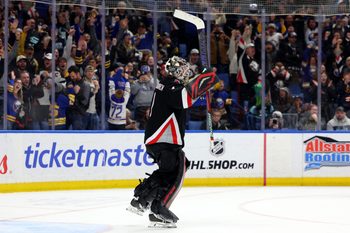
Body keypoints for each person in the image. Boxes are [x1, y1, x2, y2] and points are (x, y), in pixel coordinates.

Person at [127, 56, 219, 227]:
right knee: (180, 166)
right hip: (164, 139)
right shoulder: (171, 86)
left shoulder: (167, 85)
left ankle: (142, 200)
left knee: (168, 172)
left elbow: (187, 98)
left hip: (158, 139)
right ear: (176, 71)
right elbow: (185, 99)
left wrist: (204, 82)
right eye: (183, 69)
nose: (186, 71)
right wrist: (205, 79)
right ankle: (159, 208)